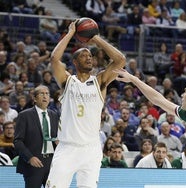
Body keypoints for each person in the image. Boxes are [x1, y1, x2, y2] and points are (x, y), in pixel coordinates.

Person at [46, 20, 126, 188]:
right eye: (83, 55)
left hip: (91, 149)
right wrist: (70, 34)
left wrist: (95, 37)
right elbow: (54, 59)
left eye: (90, 56)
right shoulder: (67, 81)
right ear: (74, 62)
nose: (89, 58)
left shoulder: (100, 81)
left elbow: (120, 60)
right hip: (67, 148)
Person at [14, 85, 59, 188]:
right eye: (41, 94)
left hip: (52, 163)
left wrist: (58, 142)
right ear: (34, 98)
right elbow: (17, 141)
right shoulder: (24, 115)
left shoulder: (54, 115)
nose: (45, 96)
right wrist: (29, 158)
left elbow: (56, 136)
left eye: (47, 94)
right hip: (34, 163)